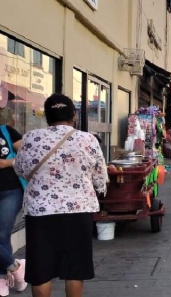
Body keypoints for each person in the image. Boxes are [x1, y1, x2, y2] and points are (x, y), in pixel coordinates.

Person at [13, 94, 107, 297]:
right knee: (74, 268)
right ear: (74, 115)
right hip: (78, 211)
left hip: (40, 212)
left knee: (41, 272)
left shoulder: (31, 137)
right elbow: (100, 177)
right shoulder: (87, 139)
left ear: (47, 116)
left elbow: (20, 169)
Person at [0, 124, 27, 296]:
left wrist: (7, 163)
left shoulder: (5, 131)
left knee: (2, 234)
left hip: (10, 191)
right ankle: (15, 268)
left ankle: (3, 277)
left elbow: (29, 155)